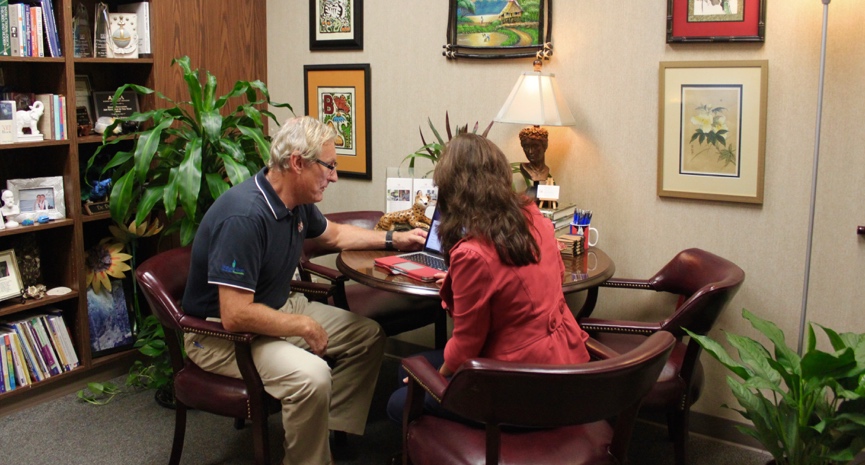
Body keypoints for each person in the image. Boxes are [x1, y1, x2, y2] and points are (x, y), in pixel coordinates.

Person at [182, 116, 427, 464]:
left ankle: (322, 434)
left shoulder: (294, 203)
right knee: (312, 377)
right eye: (329, 166)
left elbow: (336, 235)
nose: (335, 176)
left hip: (275, 308)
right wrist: (304, 326)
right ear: (297, 163)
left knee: (368, 336)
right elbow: (235, 315)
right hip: (220, 336)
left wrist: (394, 238)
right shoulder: (244, 218)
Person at [386, 133, 591, 423]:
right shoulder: (534, 218)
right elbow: (550, 277)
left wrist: (433, 381)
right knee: (404, 370)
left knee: (399, 401)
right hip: (563, 364)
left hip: (518, 388)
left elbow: (466, 344)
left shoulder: (473, 253)